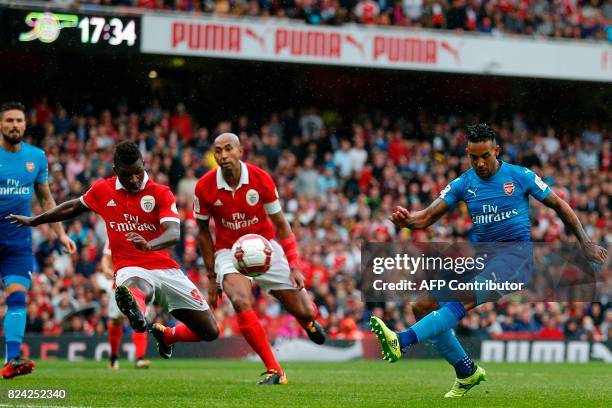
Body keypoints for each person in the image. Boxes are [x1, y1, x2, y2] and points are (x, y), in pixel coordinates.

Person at [370, 124, 607, 398]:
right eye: (473, 157)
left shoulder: (520, 176)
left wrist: (585, 242)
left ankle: (402, 340)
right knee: (422, 306)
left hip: (515, 259)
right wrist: (407, 220)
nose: (480, 163)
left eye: (485, 156)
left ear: (496, 150)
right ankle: (466, 371)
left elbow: (559, 204)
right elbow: (425, 217)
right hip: (482, 258)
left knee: (464, 297)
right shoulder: (463, 183)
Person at [9, 141, 219, 361]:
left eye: (138, 172)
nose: (135, 180)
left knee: (210, 331)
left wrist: (150, 245)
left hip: (167, 269)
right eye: (127, 175)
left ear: (144, 165)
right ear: (116, 170)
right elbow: (73, 206)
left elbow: (174, 233)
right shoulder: (103, 189)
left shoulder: (161, 192)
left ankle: (167, 337)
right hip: (130, 267)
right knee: (137, 285)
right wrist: (35, 220)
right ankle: (135, 310)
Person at [187, 132, 325, 385]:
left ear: (241, 151)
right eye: (218, 151)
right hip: (229, 252)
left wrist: (294, 265)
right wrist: (210, 277)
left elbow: (282, 225)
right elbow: (203, 233)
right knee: (240, 300)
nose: (224, 155)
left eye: (229, 149)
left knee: (304, 310)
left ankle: (309, 321)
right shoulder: (204, 187)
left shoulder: (260, 179)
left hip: (265, 248)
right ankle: (274, 369)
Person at [0, 102, 76, 379]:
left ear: (25, 124)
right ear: (0, 124)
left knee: (18, 298)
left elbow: (46, 199)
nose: (14, 125)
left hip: (18, 242)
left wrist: (61, 233)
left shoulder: (36, 157)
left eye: (19, 120)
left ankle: (12, 360)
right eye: (9, 120)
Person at [100, 241, 151, 369]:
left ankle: (140, 358)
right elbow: (106, 257)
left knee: (140, 318)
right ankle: (113, 358)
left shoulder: (145, 232)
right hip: (119, 284)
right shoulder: (117, 229)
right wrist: (106, 269)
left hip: (141, 286)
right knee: (115, 321)